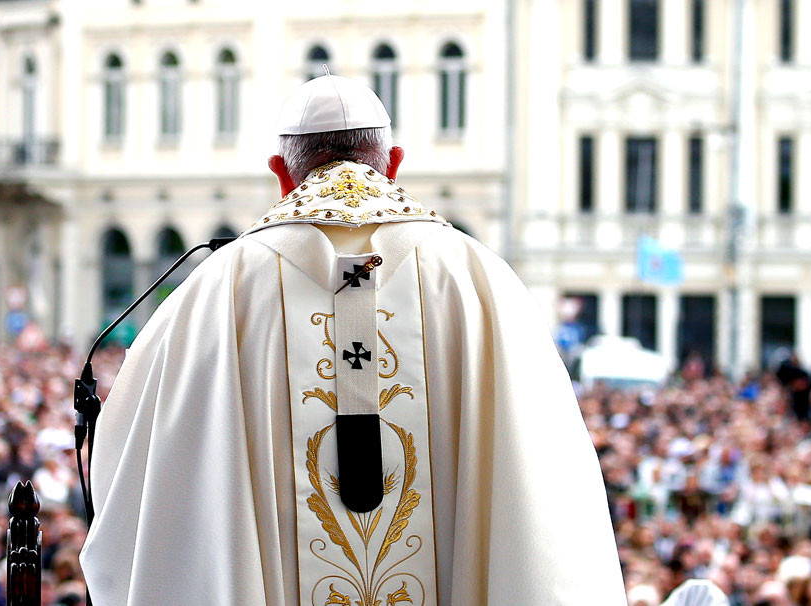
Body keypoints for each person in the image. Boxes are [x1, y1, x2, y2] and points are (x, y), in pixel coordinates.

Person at [79, 74, 625, 604]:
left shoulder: (215, 291)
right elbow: (553, 502)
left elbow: (129, 492)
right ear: (394, 164)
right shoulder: (478, 281)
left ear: (280, 173)